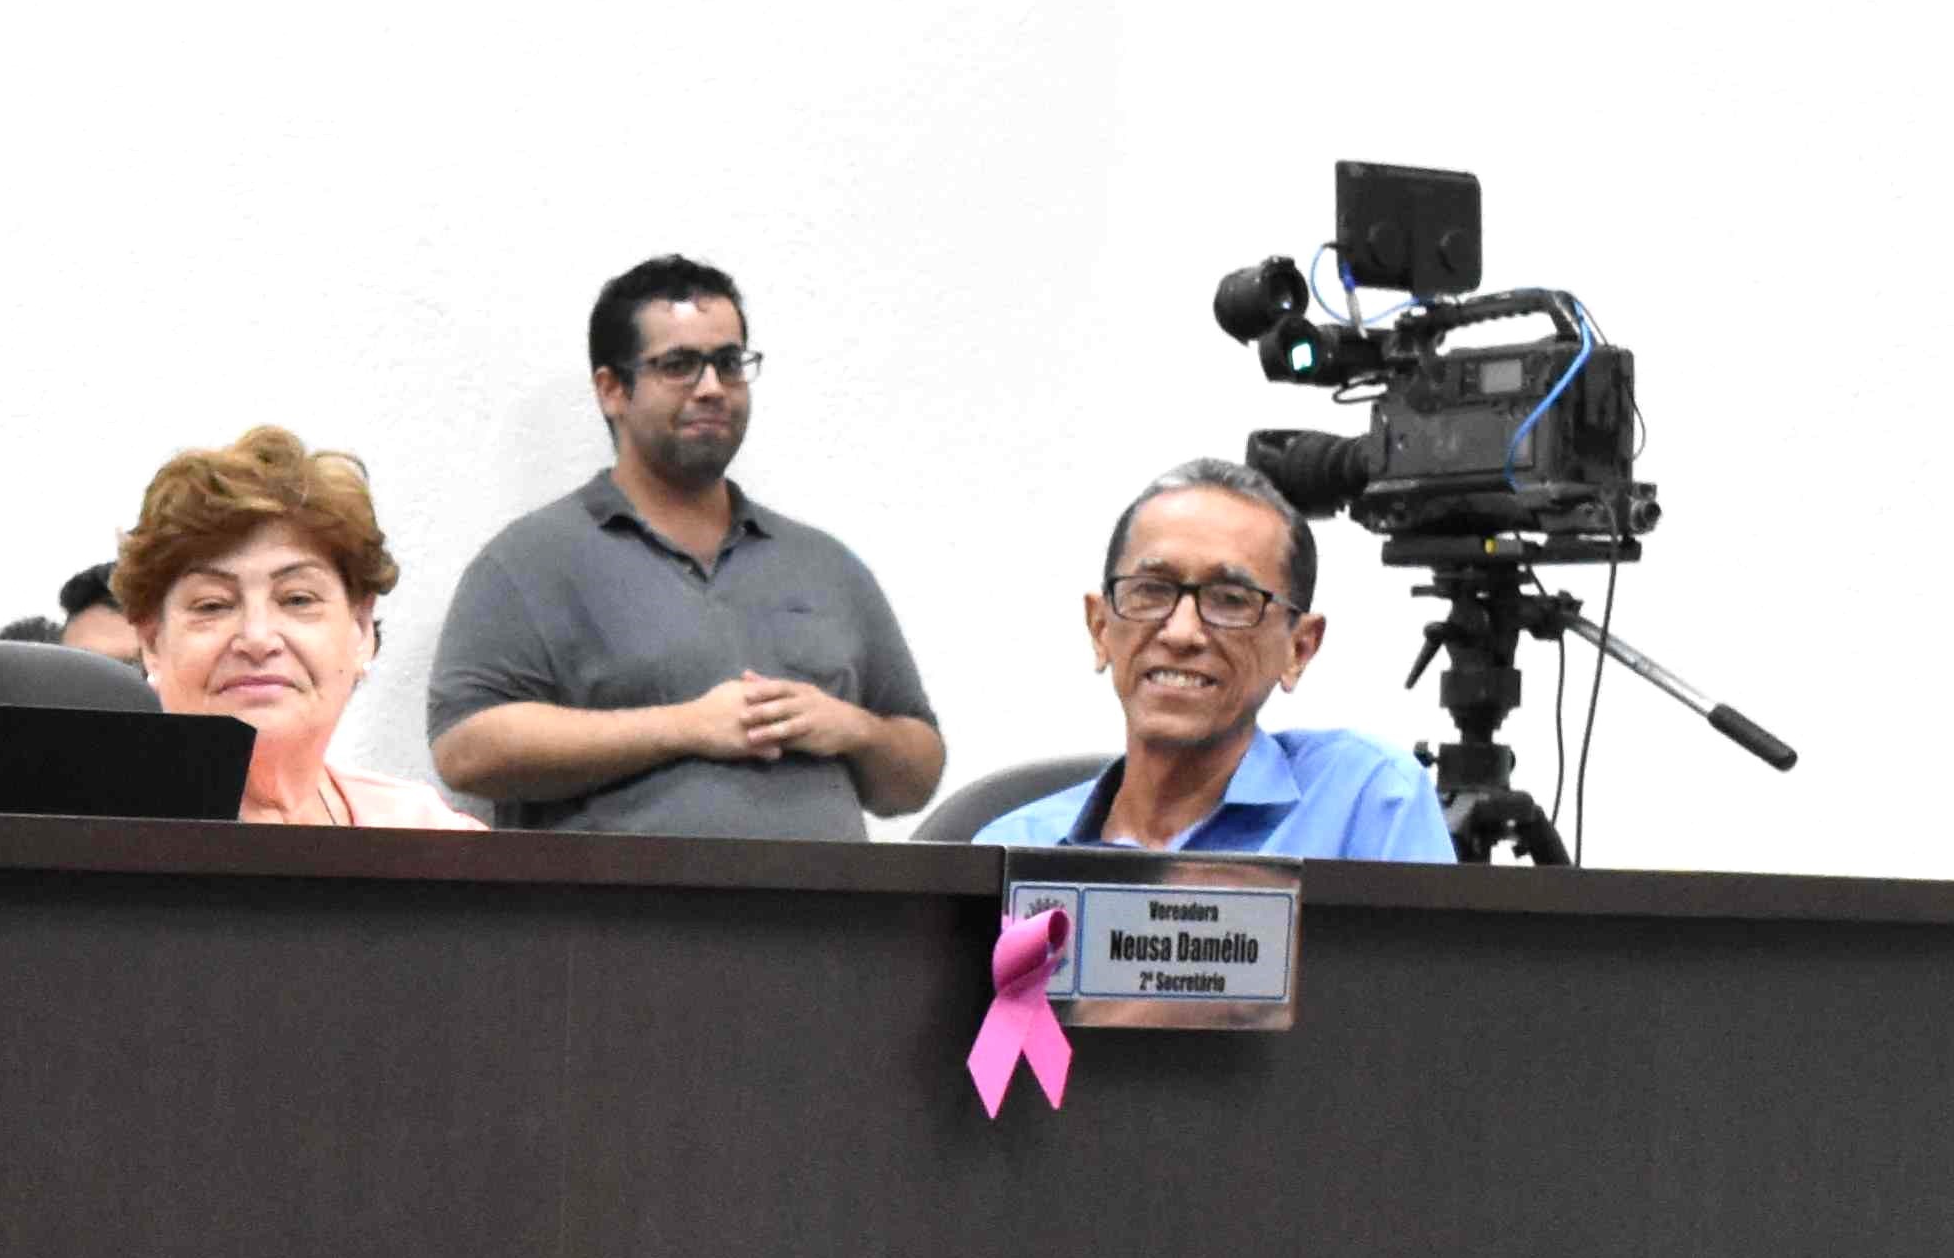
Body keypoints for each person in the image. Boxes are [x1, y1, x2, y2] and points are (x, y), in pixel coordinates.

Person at [428, 254, 945, 834]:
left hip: (831, 898)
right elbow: (465, 749)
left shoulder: (825, 565)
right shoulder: (529, 562)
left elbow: (919, 773)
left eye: (729, 363)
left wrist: (855, 730)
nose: (712, 388)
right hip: (622, 896)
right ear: (611, 390)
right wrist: (687, 727)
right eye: (679, 365)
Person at [974, 458, 1452, 859]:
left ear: (1299, 648)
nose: (1182, 632)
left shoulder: (1366, 802)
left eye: (1230, 600)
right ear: (1101, 628)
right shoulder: (1012, 852)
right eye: (1151, 591)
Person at [114, 429, 479, 829]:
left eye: (298, 599)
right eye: (213, 605)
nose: (257, 638)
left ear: (361, 631)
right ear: (152, 644)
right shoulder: (97, 836)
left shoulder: (428, 833)